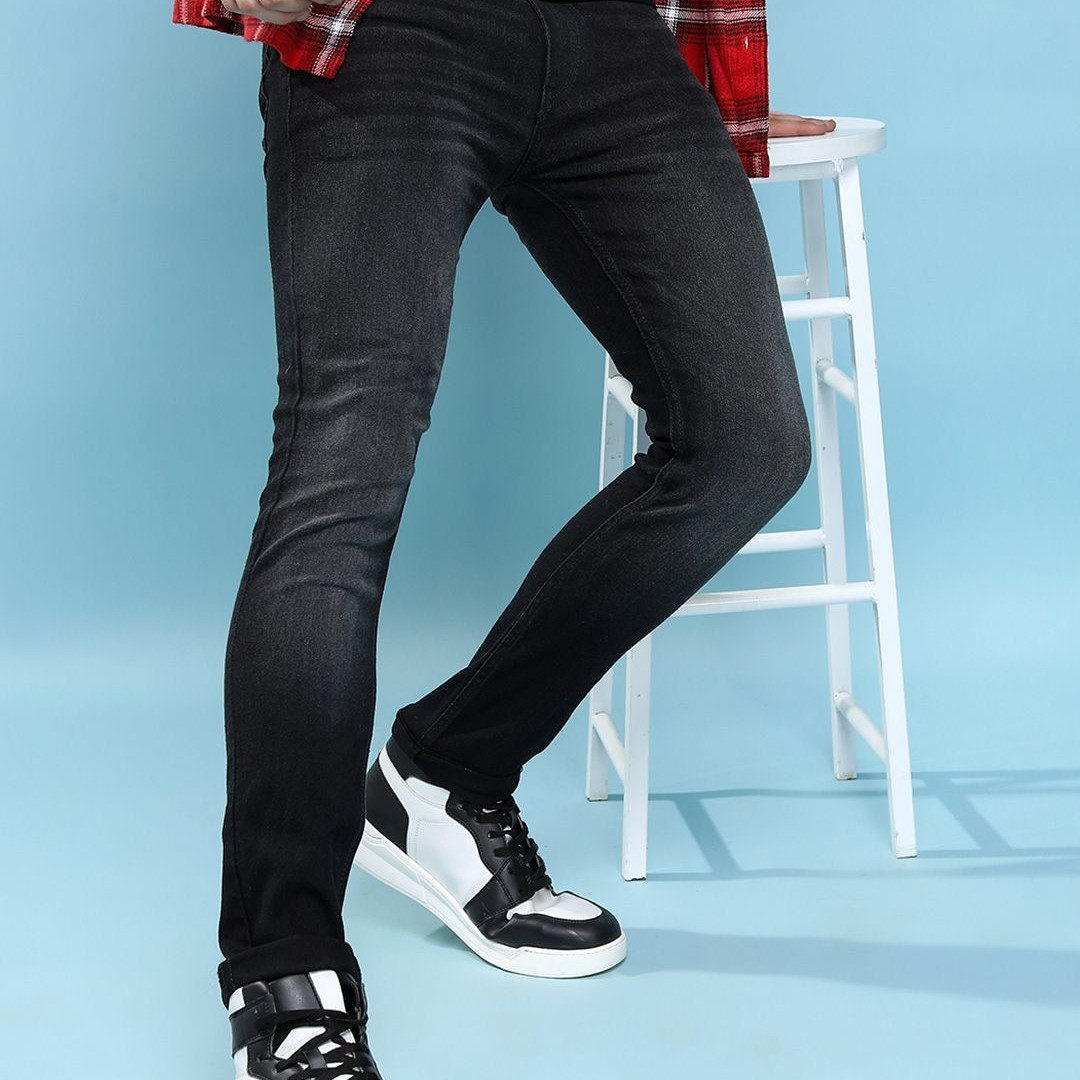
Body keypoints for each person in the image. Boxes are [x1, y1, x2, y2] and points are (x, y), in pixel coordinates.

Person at [172, 0, 836, 1076]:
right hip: (397, 33)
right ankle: (285, 971)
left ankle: (446, 773)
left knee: (747, 444)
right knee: (342, 471)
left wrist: (720, 94)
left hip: (617, 40)